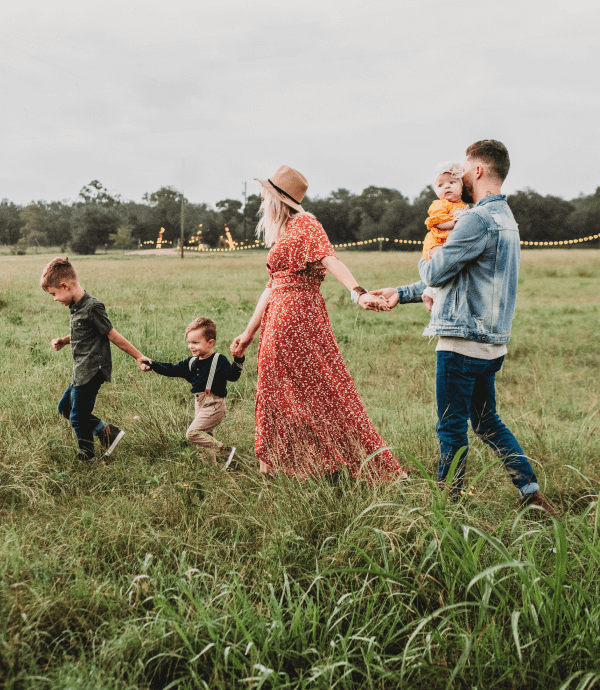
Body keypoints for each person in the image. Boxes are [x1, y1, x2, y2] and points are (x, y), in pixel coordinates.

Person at [371, 141, 555, 513]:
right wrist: (403, 293)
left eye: (465, 169)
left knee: (450, 427)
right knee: (487, 422)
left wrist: (430, 256)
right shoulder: (506, 219)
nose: (460, 177)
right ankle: (530, 494)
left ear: (479, 171)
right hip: (492, 345)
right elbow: (461, 276)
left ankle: (446, 507)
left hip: (461, 342)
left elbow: (438, 271)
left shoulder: (475, 219)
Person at [230, 165, 408, 481]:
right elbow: (271, 287)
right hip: (280, 318)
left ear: (277, 198)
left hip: (298, 318)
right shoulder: (284, 232)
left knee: (320, 388)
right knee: (279, 389)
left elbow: (331, 260)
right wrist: (247, 333)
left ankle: (329, 462)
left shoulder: (306, 224)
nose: (260, 202)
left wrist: (358, 293)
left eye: (263, 196)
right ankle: (280, 466)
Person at [41, 257, 150, 465]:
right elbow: (84, 332)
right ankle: (107, 432)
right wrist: (64, 341)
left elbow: (112, 335)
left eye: (54, 294)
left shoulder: (92, 307)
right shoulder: (76, 306)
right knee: (65, 407)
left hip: (92, 370)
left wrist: (139, 356)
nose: (54, 299)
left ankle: (87, 458)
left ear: (65, 286)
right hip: (80, 369)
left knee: (78, 417)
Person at [143, 317, 243, 466]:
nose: (191, 346)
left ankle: (224, 450)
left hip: (214, 404)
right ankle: (211, 470)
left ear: (211, 343)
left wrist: (238, 360)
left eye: (195, 343)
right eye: (189, 342)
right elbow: (172, 369)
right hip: (200, 404)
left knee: (193, 433)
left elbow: (233, 376)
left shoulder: (219, 360)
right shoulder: (191, 362)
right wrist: (152, 365)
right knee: (204, 439)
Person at [421, 162, 469, 310]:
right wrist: (451, 223)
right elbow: (436, 222)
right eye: (440, 185)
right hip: (436, 242)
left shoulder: (463, 206)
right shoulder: (440, 204)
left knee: (449, 268)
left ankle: (429, 292)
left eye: (452, 182)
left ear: (462, 188)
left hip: (447, 243)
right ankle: (431, 293)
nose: (446, 187)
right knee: (442, 265)